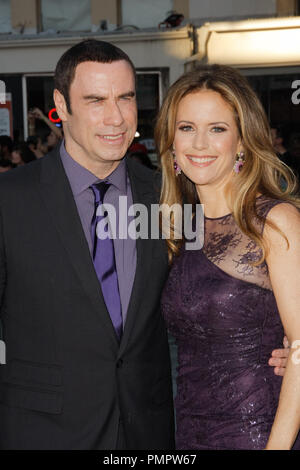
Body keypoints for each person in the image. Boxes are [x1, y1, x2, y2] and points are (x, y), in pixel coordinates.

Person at [0, 39, 174, 450]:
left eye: (126, 98)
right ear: (62, 104)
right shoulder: (10, 199)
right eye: (96, 100)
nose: (116, 117)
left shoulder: (166, 194)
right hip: (42, 431)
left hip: (146, 432)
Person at [157, 65, 300, 450]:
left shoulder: (275, 221)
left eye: (217, 128)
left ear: (241, 142)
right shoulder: (178, 229)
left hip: (260, 435)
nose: (199, 143)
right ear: (172, 144)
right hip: (188, 433)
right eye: (186, 128)